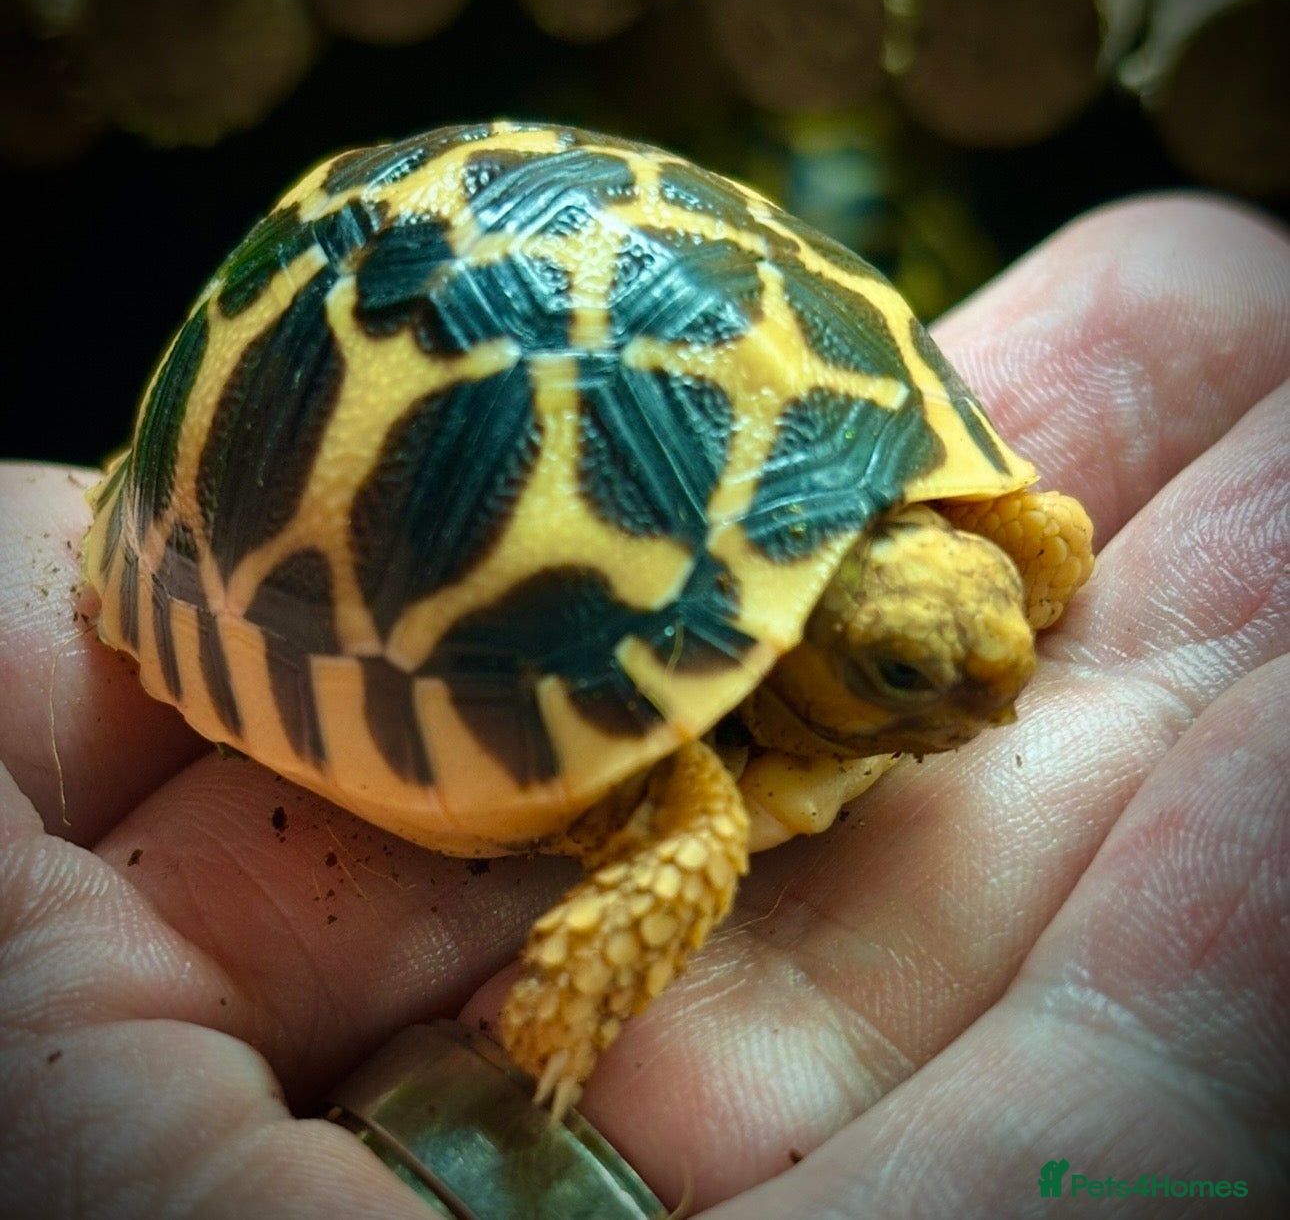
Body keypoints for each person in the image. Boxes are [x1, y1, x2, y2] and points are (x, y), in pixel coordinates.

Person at [1, 193, 1286, 1217]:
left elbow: (1021, 553)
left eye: (977, 651)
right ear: (816, 663)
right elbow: (690, 820)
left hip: (583, 268)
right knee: (696, 838)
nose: (990, 687)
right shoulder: (679, 795)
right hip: (320, 368)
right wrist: (552, 1038)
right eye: (902, 672)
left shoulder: (959, 579)